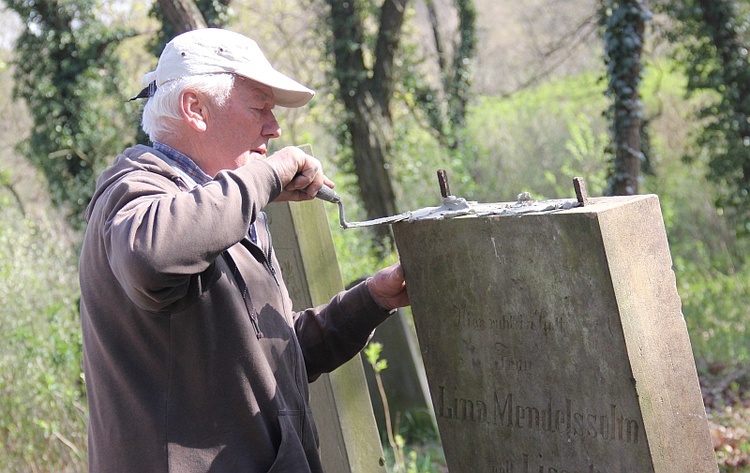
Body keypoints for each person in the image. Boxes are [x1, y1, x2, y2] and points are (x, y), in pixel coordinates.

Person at [78, 28, 409, 473]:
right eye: (260, 108)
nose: (274, 128)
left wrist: (373, 299)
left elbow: (271, 357)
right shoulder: (134, 189)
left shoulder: (220, 207)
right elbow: (148, 258)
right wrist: (268, 175)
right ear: (195, 109)